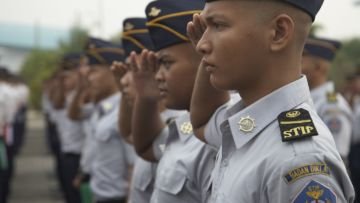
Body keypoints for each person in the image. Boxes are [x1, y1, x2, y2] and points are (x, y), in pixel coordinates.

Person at [187, 0, 355, 202]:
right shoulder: (249, 124)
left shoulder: (298, 160)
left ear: (278, 32)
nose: (201, 45)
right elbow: (202, 123)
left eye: (219, 26)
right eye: (206, 29)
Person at [128, 0, 217, 202]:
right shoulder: (186, 123)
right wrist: (146, 98)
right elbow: (147, 148)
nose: (158, 76)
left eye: (166, 63)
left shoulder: (219, 132)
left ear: (205, 58)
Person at [85, 37, 136, 203]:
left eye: (94, 71)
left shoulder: (125, 110)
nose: (89, 78)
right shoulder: (101, 109)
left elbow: (132, 167)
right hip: (99, 194)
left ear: (112, 70)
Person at [302, 37, 353, 162]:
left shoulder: (332, 106)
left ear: (318, 68)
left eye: (301, 61)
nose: (293, 66)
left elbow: (337, 158)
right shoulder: (308, 99)